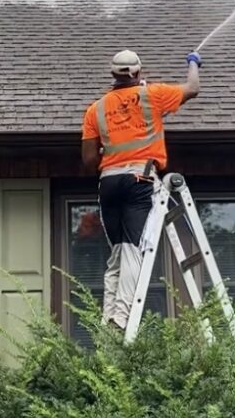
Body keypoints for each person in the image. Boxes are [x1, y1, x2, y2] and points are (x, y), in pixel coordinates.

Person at [81, 49, 202, 330]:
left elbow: (89, 160)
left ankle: (108, 317)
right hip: (140, 180)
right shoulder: (153, 95)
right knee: (135, 249)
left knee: (118, 252)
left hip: (108, 183)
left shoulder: (95, 109)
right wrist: (193, 63)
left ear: (112, 74)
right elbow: (193, 88)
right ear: (137, 72)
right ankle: (122, 319)